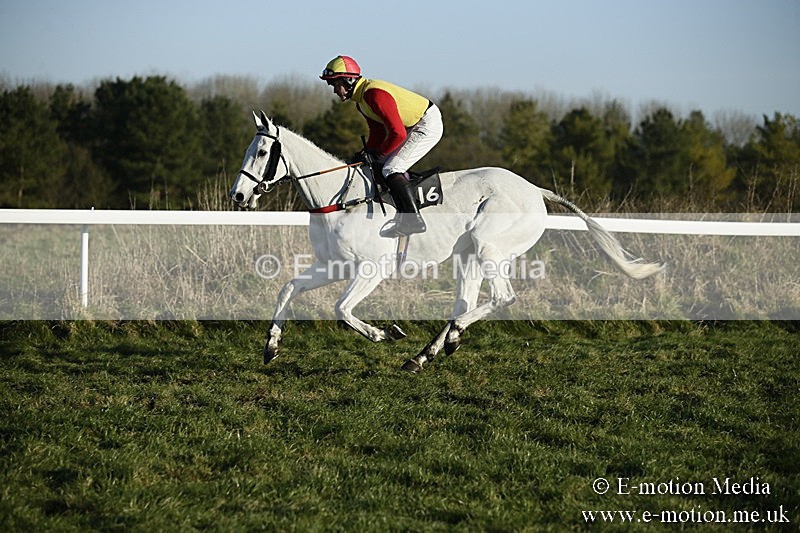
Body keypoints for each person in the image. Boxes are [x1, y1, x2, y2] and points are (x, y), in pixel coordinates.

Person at [320, 55, 443, 236]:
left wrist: (378, 153)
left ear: (347, 80)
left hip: (426, 123)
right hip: (410, 126)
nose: (334, 90)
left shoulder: (374, 95)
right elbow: (377, 133)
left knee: (392, 168)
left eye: (334, 84)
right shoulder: (361, 102)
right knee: (374, 166)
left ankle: (413, 220)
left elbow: (398, 133)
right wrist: (366, 153)